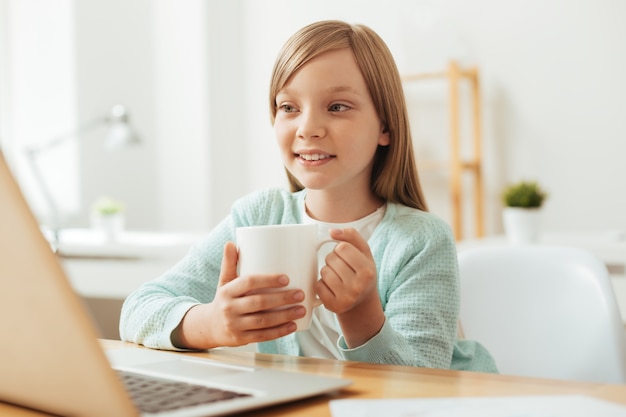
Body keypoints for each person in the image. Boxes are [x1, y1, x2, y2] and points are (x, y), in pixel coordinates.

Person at [119, 20, 497, 373]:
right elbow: (138, 309)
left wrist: (361, 314)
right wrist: (212, 323)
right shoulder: (258, 216)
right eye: (289, 108)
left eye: (337, 107)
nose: (308, 128)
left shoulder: (421, 240)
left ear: (386, 126)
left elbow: (422, 384)